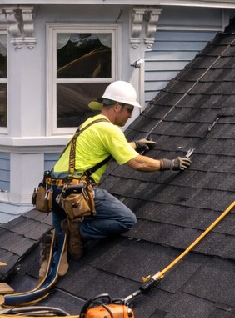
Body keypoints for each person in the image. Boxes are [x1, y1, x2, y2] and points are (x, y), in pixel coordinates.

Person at [48, 80, 190, 258]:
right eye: (129, 110)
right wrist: (169, 164)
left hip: (54, 191)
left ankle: (64, 235)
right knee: (126, 219)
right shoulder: (110, 130)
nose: (130, 116)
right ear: (117, 106)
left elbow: (111, 149)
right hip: (75, 191)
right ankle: (78, 230)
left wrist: (136, 144)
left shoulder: (91, 123)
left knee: (63, 250)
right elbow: (137, 163)